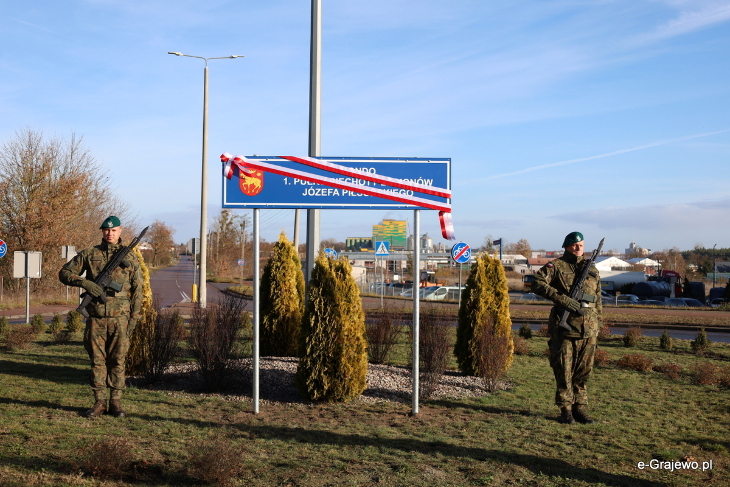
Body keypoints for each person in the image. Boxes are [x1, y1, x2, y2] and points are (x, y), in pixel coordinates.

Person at [59, 216, 142, 418]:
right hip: (96, 318)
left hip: (120, 320)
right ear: (102, 232)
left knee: (118, 361)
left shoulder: (130, 258)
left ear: (120, 231)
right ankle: (99, 403)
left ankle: (116, 402)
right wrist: (85, 284)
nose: (110, 233)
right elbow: (64, 273)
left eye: (113, 230)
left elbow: (138, 291)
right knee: (97, 361)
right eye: (106, 230)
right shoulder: (89, 254)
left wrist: (133, 320)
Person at [532, 231, 602, 425]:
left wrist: (599, 324)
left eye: (581, 244)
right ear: (566, 246)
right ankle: (566, 411)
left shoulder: (592, 268)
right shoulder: (556, 266)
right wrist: (562, 300)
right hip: (565, 329)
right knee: (564, 370)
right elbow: (536, 283)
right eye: (574, 245)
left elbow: (597, 299)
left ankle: (579, 409)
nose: (578, 248)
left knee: (583, 372)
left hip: (588, 329)